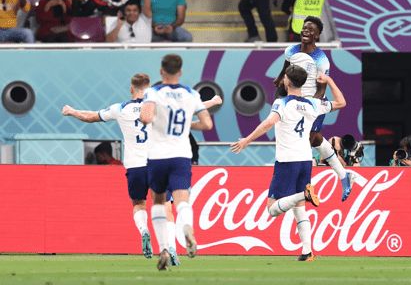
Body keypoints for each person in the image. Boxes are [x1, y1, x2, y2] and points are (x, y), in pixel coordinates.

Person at [231, 65, 346, 261]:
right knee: (299, 208)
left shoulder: (281, 103)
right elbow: (341, 103)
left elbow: (268, 123)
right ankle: (307, 251)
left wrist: (246, 140)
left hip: (287, 161)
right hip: (305, 160)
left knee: (272, 209)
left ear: (287, 81)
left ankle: (305, 193)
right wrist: (330, 81)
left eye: (285, 77)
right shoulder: (312, 104)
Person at [140, 54, 221, 270]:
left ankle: (165, 248)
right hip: (181, 155)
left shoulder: (153, 92)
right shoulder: (191, 94)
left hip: (158, 155)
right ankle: (187, 228)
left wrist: (150, 115)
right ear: (181, 72)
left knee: (158, 201)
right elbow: (207, 124)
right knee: (182, 200)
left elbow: (146, 118)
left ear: (161, 72)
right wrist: (186, 125)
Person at [61, 74, 153, 259]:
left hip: (135, 166)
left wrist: (72, 111)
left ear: (131, 89)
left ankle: (144, 230)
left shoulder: (120, 109)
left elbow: (91, 116)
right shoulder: (156, 108)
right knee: (163, 204)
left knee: (138, 204)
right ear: (148, 88)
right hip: (156, 163)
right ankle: (169, 246)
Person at [273, 16, 354, 202]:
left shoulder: (322, 61)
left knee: (307, 139)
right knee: (315, 138)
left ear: (317, 35)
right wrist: (279, 82)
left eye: (311, 30)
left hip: (313, 103)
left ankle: (302, 186)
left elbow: (321, 89)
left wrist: (309, 109)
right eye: (304, 28)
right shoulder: (291, 50)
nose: (306, 31)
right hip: (296, 98)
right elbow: (287, 67)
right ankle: (343, 174)